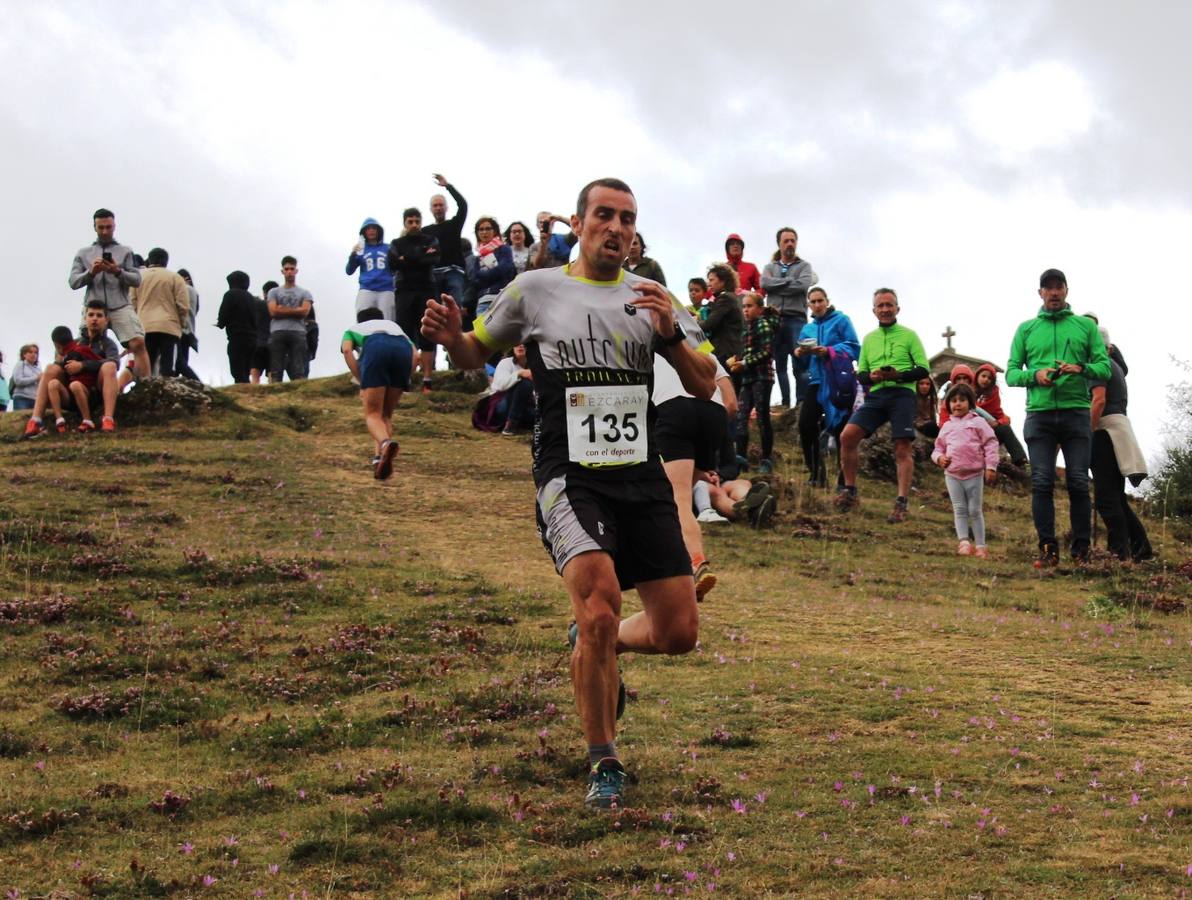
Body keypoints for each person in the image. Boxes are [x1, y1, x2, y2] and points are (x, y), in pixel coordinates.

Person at [422, 177, 715, 810]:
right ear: (578, 224)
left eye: (628, 219)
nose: (616, 227)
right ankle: (603, 761)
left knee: (679, 632)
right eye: (604, 215)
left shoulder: (655, 298)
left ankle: (589, 641)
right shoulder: (537, 289)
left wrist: (667, 334)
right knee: (601, 606)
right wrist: (451, 337)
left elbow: (704, 383)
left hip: (639, 475)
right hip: (569, 474)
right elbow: (477, 349)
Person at [1005, 269, 1110, 567]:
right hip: (1039, 415)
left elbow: (1104, 367)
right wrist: (1035, 375)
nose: (1053, 292)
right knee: (1041, 481)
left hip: (1076, 411)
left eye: (1058, 287)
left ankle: (1081, 552)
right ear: (1039, 293)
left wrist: (1081, 369)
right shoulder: (1025, 329)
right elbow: (1011, 373)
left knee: (1078, 481)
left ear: (1066, 291)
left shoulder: (1084, 328)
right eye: (1047, 288)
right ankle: (1048, 549)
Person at [837, 288, 930, 522]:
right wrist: (874, 378)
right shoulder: (869, 339)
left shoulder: (910, 335)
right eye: (881, 306)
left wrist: (897, 375)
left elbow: (923, 369)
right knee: (848, 436)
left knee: (902, 446)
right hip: (877, 396)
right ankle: (850, 491)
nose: (885, 309)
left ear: (898, 308)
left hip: (902, 395)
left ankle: (901, 503)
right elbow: (862, 374)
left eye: (889, 305)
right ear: (874, 310)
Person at [1089, 329, 1152, 562]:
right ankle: (1140, 547)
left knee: (1107, 497)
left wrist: (1088, 432)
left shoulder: (1100, 364)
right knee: (1115, 496)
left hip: (1105, 431)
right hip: (1118, 431)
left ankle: (1118, 551)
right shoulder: (1113, 365)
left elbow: (1098, 402)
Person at [68, 208, 148, 381]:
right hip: (94, 306)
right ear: (94, 227)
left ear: (114, 226)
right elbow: (73, 282)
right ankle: (87, 386)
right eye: (101, 227)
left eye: (108, 227)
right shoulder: (84, 253)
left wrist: (117, 271)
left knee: (138, 342)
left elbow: (136, 279)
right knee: (85, 346)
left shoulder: (125, 251)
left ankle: (147, 386)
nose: (105, 231)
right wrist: (91, 272)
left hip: (120, 305)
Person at [795, 287, 860, 487]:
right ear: (808, 305)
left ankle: (844, 481)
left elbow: (854, 347)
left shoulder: (842, 320)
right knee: (806, 424)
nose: (817, 305)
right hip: (816, 382)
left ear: (827, 301)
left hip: (838, 381)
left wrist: (829, 351)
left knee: (842, 430)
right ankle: (817, 475)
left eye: (820, 300)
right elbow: (802, 365)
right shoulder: (807, 329)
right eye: (813, 302)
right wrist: (800, 354)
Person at [341, 308, 415, 480]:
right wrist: (405, 379)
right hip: (402, 350)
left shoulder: (353, 330)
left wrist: (361, 379)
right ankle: (379, 459)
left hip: (376, 347)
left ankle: (385, 443)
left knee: (372, 414)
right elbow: (416, 356)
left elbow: (347, 351)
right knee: (386, 415)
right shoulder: (395, 327)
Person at [932, 382, 999, 558]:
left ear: (970, 402)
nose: (957, 404)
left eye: (962, 400)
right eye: (953, 401)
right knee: (959, 509)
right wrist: (939, 458)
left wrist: (991, 466)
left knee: (975, 510)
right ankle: (963, 543)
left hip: (974, 474)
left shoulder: (978, 422)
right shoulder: (946, 426)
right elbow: (937, 449)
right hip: (952, 475)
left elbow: (991, 443)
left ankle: (981, 546)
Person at [761, 227, 817, 407]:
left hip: (797, 319)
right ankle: (785, 403)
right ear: (779, 244)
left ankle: (801, 402)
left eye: (793, 240)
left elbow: (803, 286)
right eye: (786, 241)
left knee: (800, 362)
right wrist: (789, 282)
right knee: (780, 365)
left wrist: (777, 285)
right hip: (775, 320)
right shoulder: (770, 267)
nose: (790, 244)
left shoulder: (804, 266)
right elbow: (765, 283)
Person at [388, 208, 440, 393]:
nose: (414, 225)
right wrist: (420, 255)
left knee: (427, 332)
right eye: (410, 221)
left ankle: (427, 380)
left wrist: (407, 258)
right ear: (404, 223)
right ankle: (405, 378)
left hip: (426, 288)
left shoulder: (430, 239)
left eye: (417, 221)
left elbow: (433, 257)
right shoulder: (396, 242)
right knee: (404, 334)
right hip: (404, 291)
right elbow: (392, 263)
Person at [731, 292, 777, 474]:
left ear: (759, 309)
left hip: (762, 377)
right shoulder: (745, 328)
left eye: (749, 306)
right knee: (741, 417)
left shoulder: (763, 325)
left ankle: (766, 459)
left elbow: (767, 351)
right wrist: (737, 359)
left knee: (762, 417)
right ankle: (740, 458)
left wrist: (745, 362)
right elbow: (744, 351)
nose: (746, 310)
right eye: (743, 306)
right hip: (747, 379)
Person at [129, 247, 189, 378]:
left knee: (146, 365)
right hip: (169, 326)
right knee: (168, 367)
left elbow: (132, 303)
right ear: (166, 261)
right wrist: (181, 323)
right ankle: (167, 393)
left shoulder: (138, 277)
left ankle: (144, 392)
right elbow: (183, 306)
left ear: (149, 260)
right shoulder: (175, 278)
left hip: (144, 326)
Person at [423, 174, 468, 309]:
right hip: (433, 274)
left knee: (453, 308)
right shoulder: (425, 231)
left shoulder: (454, 224)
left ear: (446, 208)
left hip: (453, 272)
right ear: (431, 209)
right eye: (435, 206)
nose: (438, 208)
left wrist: (448, 186)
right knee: (435, 311)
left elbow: (463, 206)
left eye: (441, 205)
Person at [266, 256, 313, 383]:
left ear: (296, 270)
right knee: (276, 367)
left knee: (298, 368)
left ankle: (299, 392)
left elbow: (304, 312)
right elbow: (273, 311)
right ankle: (275, 393)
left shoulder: (305, 293)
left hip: (298, 331)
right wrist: (295, 310)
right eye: (286, 269)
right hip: (278, 331)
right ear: (282, 271)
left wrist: (282, 309)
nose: (289, 272)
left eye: (292, 269)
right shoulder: (273, 292)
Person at [973, 364, 1028, 467]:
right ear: (977, 376)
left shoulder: (993, 397)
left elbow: (1003, 417)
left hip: (987, 432)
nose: (986, 380)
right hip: (970, 432)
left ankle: (1021, 461)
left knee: (1005, 429)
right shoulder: (967, 393)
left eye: (989, 378)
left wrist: (997, 422)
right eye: (983, 376)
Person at [346, 217, 395, 322]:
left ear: (379, 231)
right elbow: (349, 271)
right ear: (364, 232)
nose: (371, 230)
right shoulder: (360, 250)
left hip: (386, 289)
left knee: (387, 321)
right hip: (367, 288)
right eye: (368, 228)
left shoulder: (388, 247)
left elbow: (397, 266)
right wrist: (353, 255)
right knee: (363, 320)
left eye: (374, 228)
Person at [216, 271, 259, 383]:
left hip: (237, 336)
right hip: (252, 338)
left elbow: (223, 314)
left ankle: (244, 394)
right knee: (245, 370)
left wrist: (220, 323)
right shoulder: (251, 298)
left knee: (237, 371)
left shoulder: (230, 294)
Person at [472, 217, 516, 319]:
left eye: (488, 229)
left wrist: (484, 275)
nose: (484, 232)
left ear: (494, 231)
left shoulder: (504, 249)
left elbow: (504, 269)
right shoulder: (477, 257)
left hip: (501, 298)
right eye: (481, 229)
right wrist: (492, 274)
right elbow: (475, 279)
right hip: (483, 301)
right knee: (483, 335)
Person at [701, 265, 744, 368]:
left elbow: (708, 325)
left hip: (726, 352)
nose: (709, 284)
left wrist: (691, 323)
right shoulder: (730, 297)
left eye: (712, 280)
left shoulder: (725, 298)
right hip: (731, 351)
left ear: (723, 281)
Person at [489, 344, 535, 435]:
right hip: (502, 406)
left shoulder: (535, 366)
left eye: (524, 344)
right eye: (517, 343)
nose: (520, 346)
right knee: (525, 383)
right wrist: (519, 373)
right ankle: (511, 425)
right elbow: (500, 385)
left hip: (524, 408)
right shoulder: (505, 363)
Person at [174, 268, 201, 380]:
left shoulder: (184, 289)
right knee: (183, 360)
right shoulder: (195, 293)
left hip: (180, 328)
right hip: (190, 331)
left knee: (178, 363)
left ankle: (198, 383)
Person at [250, 281, 278, 384]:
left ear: (264, 293)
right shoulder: (278, 309)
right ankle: (272, 395)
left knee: (255, 373)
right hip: (274, 344)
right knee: (273, 375)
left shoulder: (256, 305)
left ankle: (254, 393)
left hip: (257, 342)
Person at [9, 344, 41, 411]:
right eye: (30, 352)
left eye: (36, 352)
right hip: (21, 398)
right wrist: (36, 378)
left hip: (35, 399)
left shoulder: (39, 369)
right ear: (24, 354)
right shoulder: (20, 364)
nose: (33, 354)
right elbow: (18, 381)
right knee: (20, 420)